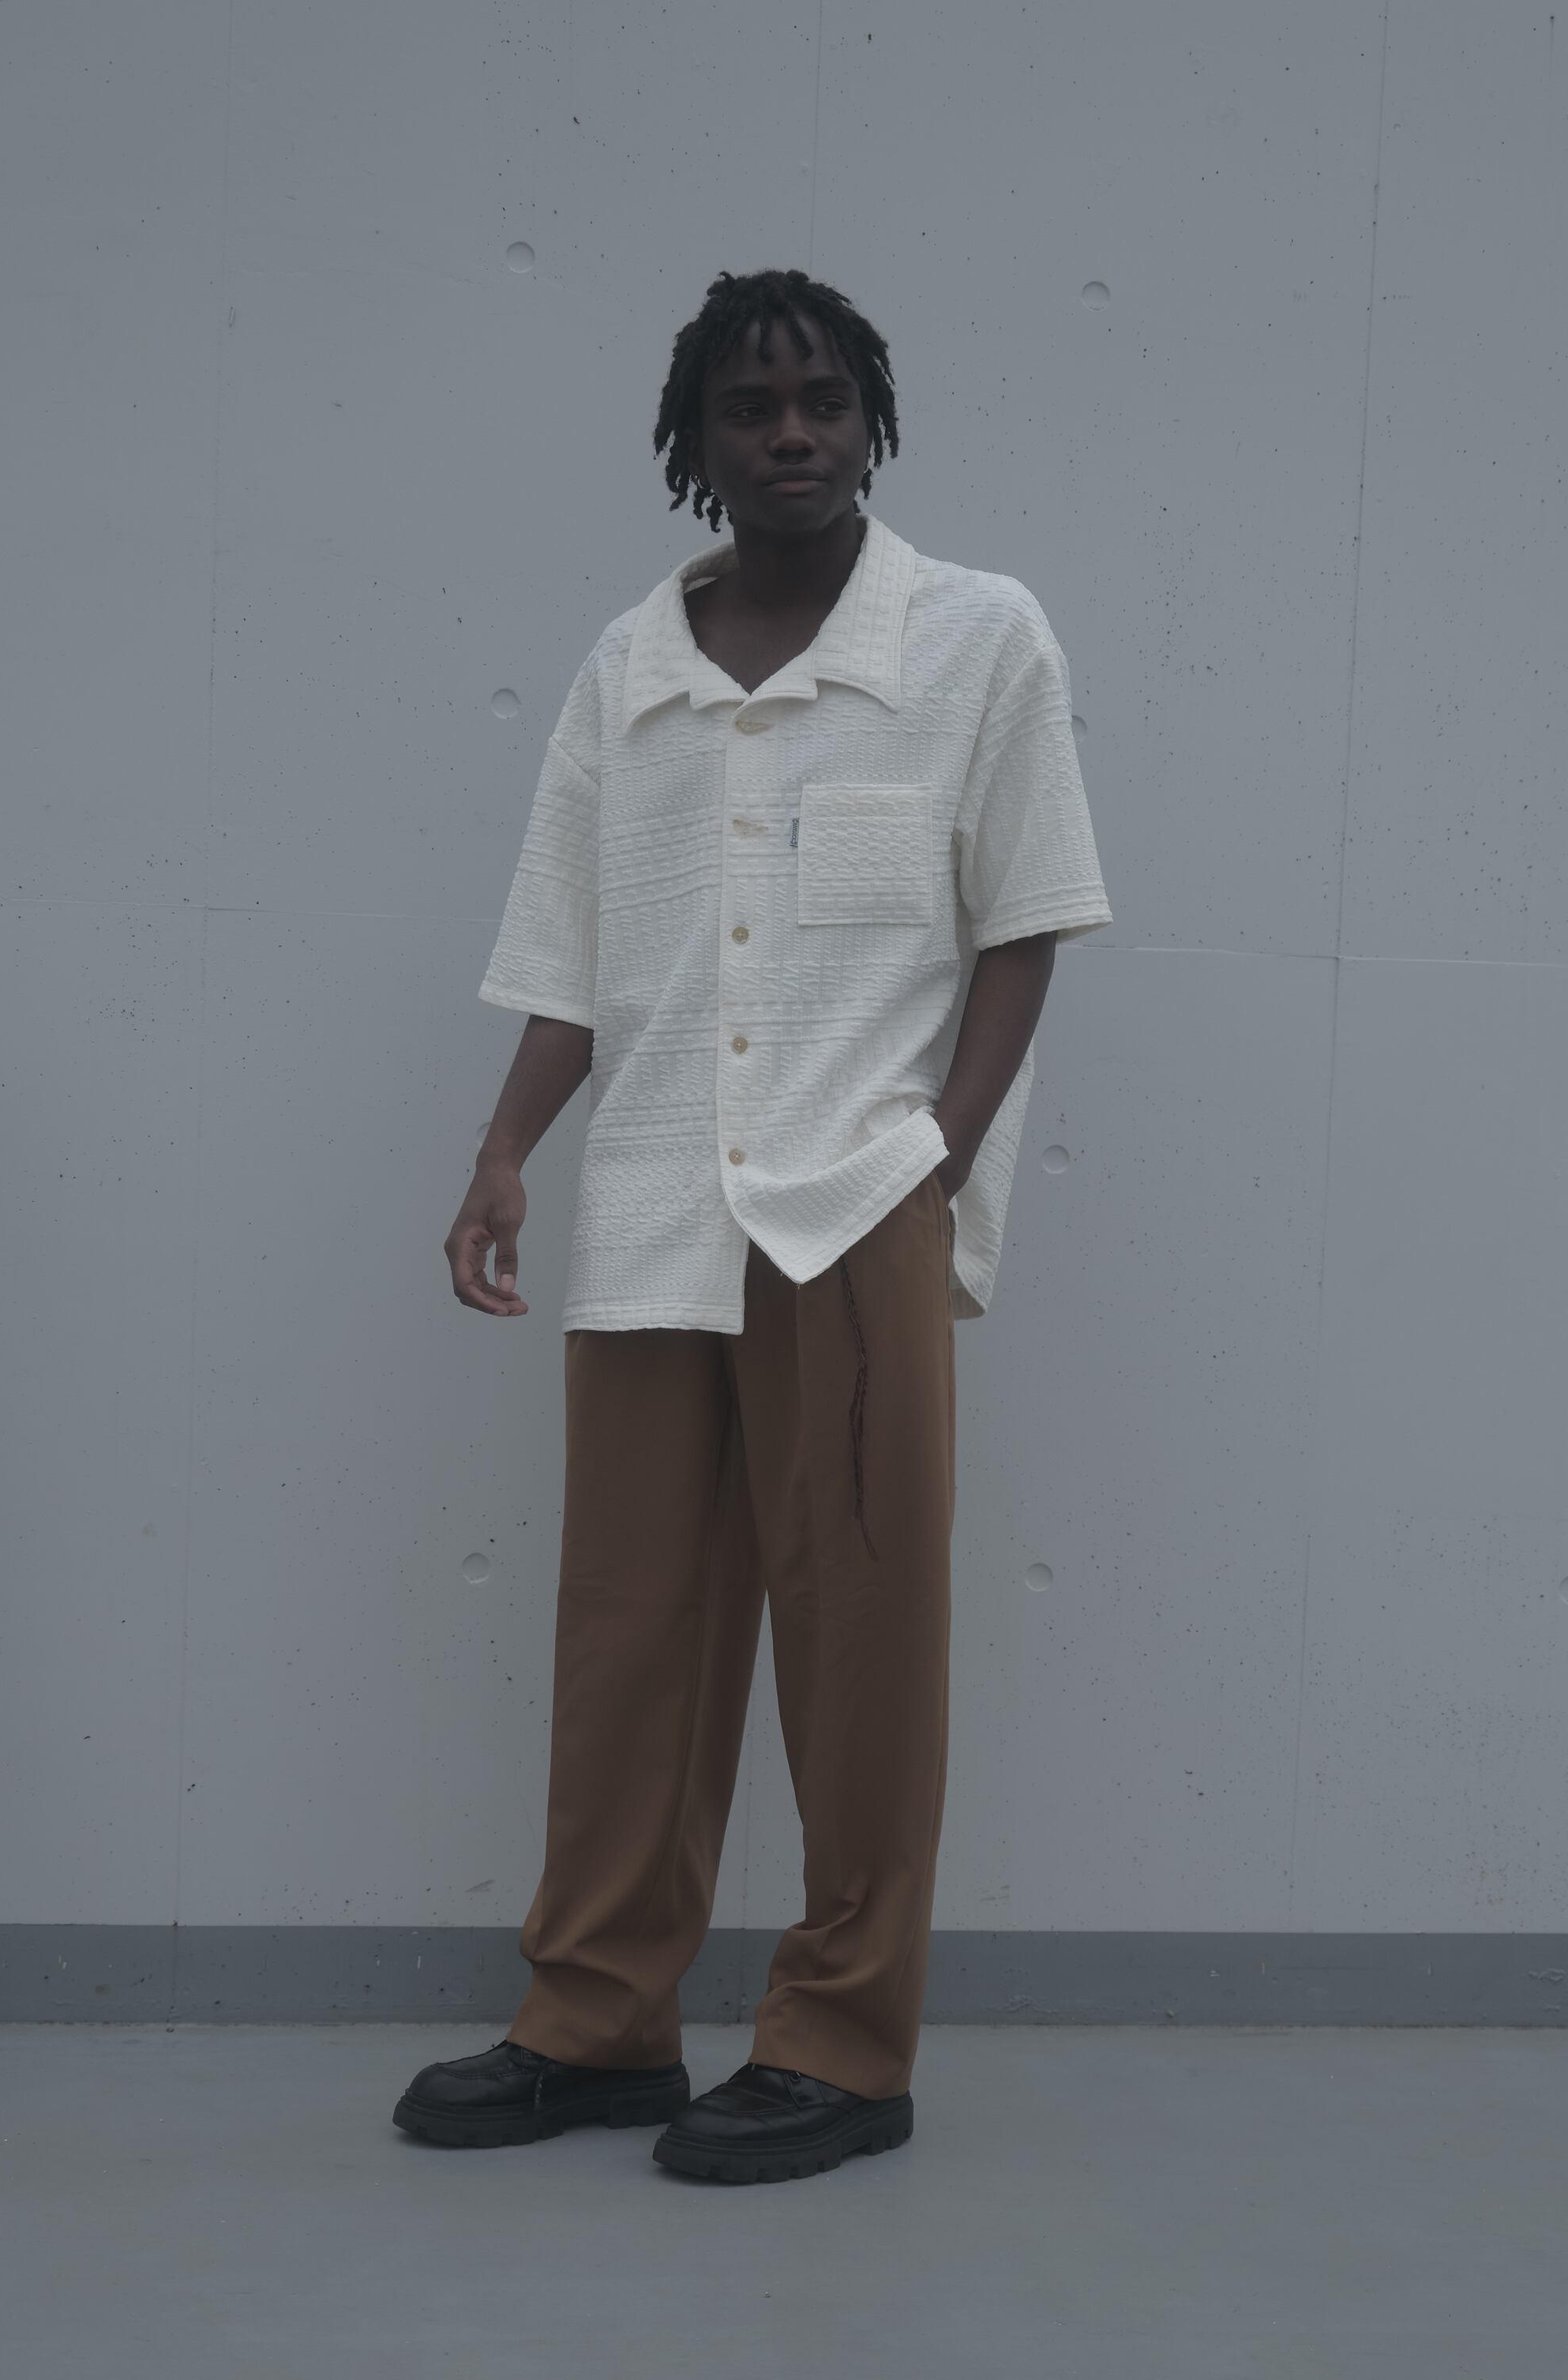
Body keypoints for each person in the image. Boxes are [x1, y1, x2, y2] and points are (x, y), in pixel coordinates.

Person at [392, 266, 1111, 2184]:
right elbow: (570, 949)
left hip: (851, 1208)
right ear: (694, 442)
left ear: (870, 421)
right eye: (749, 406)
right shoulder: (629, 667)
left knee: (863, 1635)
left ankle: (844, 2047)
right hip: (650, 1207)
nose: (791, 433)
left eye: (821, 402)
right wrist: (504, 1149)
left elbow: (1030, 915)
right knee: (630, 1634)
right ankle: (596, 2021)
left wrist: (938, 1155)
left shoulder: (974, 640)